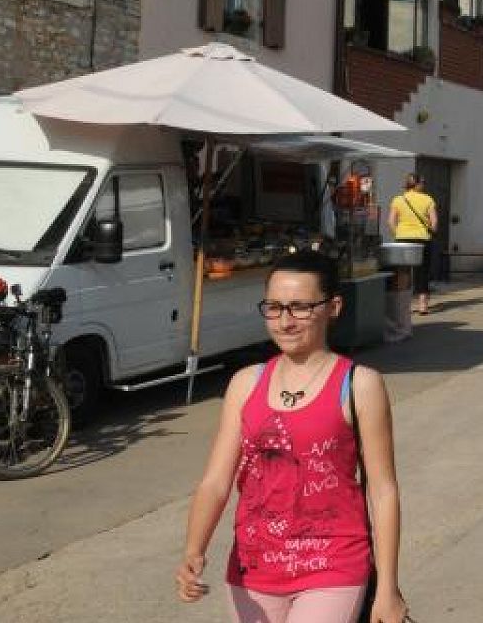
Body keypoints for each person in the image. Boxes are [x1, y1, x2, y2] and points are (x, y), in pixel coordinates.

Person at [176, 252, 407, 623]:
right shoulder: (245, 384)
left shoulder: (359, 385)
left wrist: (388, 588)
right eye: (274, 307)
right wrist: (193, 549)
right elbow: (216, 482)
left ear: (333, 307)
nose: (285, 321)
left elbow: (383, 490)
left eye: (300, 307)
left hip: (333, 564)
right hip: (253, 568)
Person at [387, 173, 438, 317]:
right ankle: (422, 305)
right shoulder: (428, 199)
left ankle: (403, 305)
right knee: (423, 271)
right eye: (422, 182)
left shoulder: (398, 200)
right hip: (422, 239)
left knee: (403, 272)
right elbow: (434, 222)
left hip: (403, 239)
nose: (424, 185)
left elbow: (390, 221)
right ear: (417, 184)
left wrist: (397, 233)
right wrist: (431, 231)